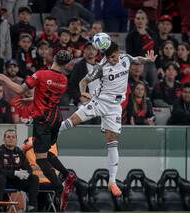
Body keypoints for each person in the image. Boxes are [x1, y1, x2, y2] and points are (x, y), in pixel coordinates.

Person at [58, 41, 157, 197]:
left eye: (114, 56)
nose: (113, 60)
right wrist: (84, 95)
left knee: (112, 143)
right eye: (110, 58)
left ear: (118, 52)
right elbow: (83, 82)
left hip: (114, 107)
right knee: (72, 122)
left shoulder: (125, 58)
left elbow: (137, 59)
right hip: (99, 102)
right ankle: (45, 135)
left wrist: (147, 60)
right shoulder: (101, 67)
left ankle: (112, 181)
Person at [0, 50, 77, 211]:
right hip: (56, 119)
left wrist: (5, 79)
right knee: (46, 153)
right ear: (66, 64)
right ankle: (68, 175)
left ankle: (59, 187)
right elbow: (49, 96)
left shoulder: (41, 74)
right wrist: (32, 99)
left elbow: (19, 90)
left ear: (54, 58)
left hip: (43, 121)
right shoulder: (63, 79)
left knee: (41, 159)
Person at [0, 129, 38, 212]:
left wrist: (25, 173)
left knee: (34, 178)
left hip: (13, 182)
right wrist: (15, 173)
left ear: (16, 140)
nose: (11, 139)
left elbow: (28, 168)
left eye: (13, 137)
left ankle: (32, 207)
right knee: (2, 177)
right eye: (8, 137)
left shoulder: (19, 152)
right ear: (4, 139)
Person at [68, 41, 99, 107]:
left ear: (97, 51)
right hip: (85, 102)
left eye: (94, 49)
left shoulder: (101, 66)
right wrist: (80, 98)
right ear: (84, 50)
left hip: (100, 101)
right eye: (88, 48)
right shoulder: (79, 66)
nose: (91, 51)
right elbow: (71, 86)